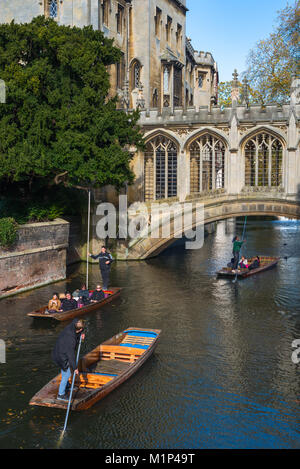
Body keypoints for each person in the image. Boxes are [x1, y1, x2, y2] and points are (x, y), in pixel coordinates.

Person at [52, 319, 85, 401]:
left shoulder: (71, 325)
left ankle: (67, 385)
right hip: (61, 356)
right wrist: (75, 368)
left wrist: (80, 335)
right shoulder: (71, 340)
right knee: (67, 374)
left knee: (64, 371)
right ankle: (61, 394)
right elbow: (71, 356)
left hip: (58, 352)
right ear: (79, 329)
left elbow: (75, 320)